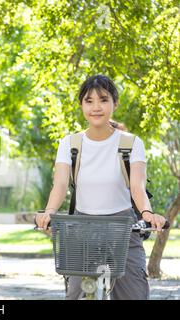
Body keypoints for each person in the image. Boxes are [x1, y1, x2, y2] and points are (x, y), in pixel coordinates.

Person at [35, 74, 167, 300]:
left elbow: (137, 187)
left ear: (115, 103)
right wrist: (48, 212)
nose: (96, 107)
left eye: (103, 100)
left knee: (135, 294)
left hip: (124, 228)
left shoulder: (131, 143)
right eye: (89, 101)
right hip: (81, 228)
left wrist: (147, 214)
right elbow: (60, 184)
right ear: (81, 105)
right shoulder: (70, 144)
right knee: (76, 294)